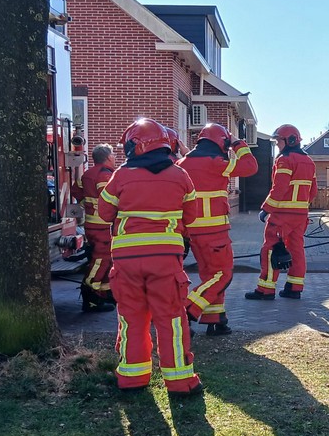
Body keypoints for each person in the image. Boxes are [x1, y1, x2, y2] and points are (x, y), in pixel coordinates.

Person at [98, 117, 203, 397]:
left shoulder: (120, 175)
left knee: (132, 319)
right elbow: (191, 216)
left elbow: (104, 212)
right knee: (171, 320)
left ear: (135, 146)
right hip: (166, 261)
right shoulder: (180, 176)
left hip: (126, 262)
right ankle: (180, 382)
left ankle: (133, 378)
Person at [176, 123, 258, 335]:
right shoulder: (217, 162)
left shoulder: (182, 163)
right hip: (214, 232)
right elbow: (250, 166)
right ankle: (186, 310)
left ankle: (216, 319)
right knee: (223, 274)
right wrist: (238, 143)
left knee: (209, 276)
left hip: (192, 231)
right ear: (221, 142)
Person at [245, 124, 317, 300]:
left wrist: (266, 209)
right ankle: (294, 288)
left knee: (270, 249)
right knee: (296, 249)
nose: (277, 144)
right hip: (301, 216)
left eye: (279, 140)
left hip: (282, 215)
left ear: (290, 140)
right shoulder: (309, 161)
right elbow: (313, 190)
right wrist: (301, 206)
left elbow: (280, 188)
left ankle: (266, 290)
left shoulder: (284, 160)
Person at [71, 143, 116, 312]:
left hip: (92, 224)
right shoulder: (105, 176)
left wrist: (87, 205)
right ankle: (90, 294)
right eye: (113, 155)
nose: (115, 158)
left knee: (105, 260)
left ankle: (104, 294)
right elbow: (109, 200)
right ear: (108, 157)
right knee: (101, 259)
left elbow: (76, 190)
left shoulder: (88, 174)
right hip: (103, 226)